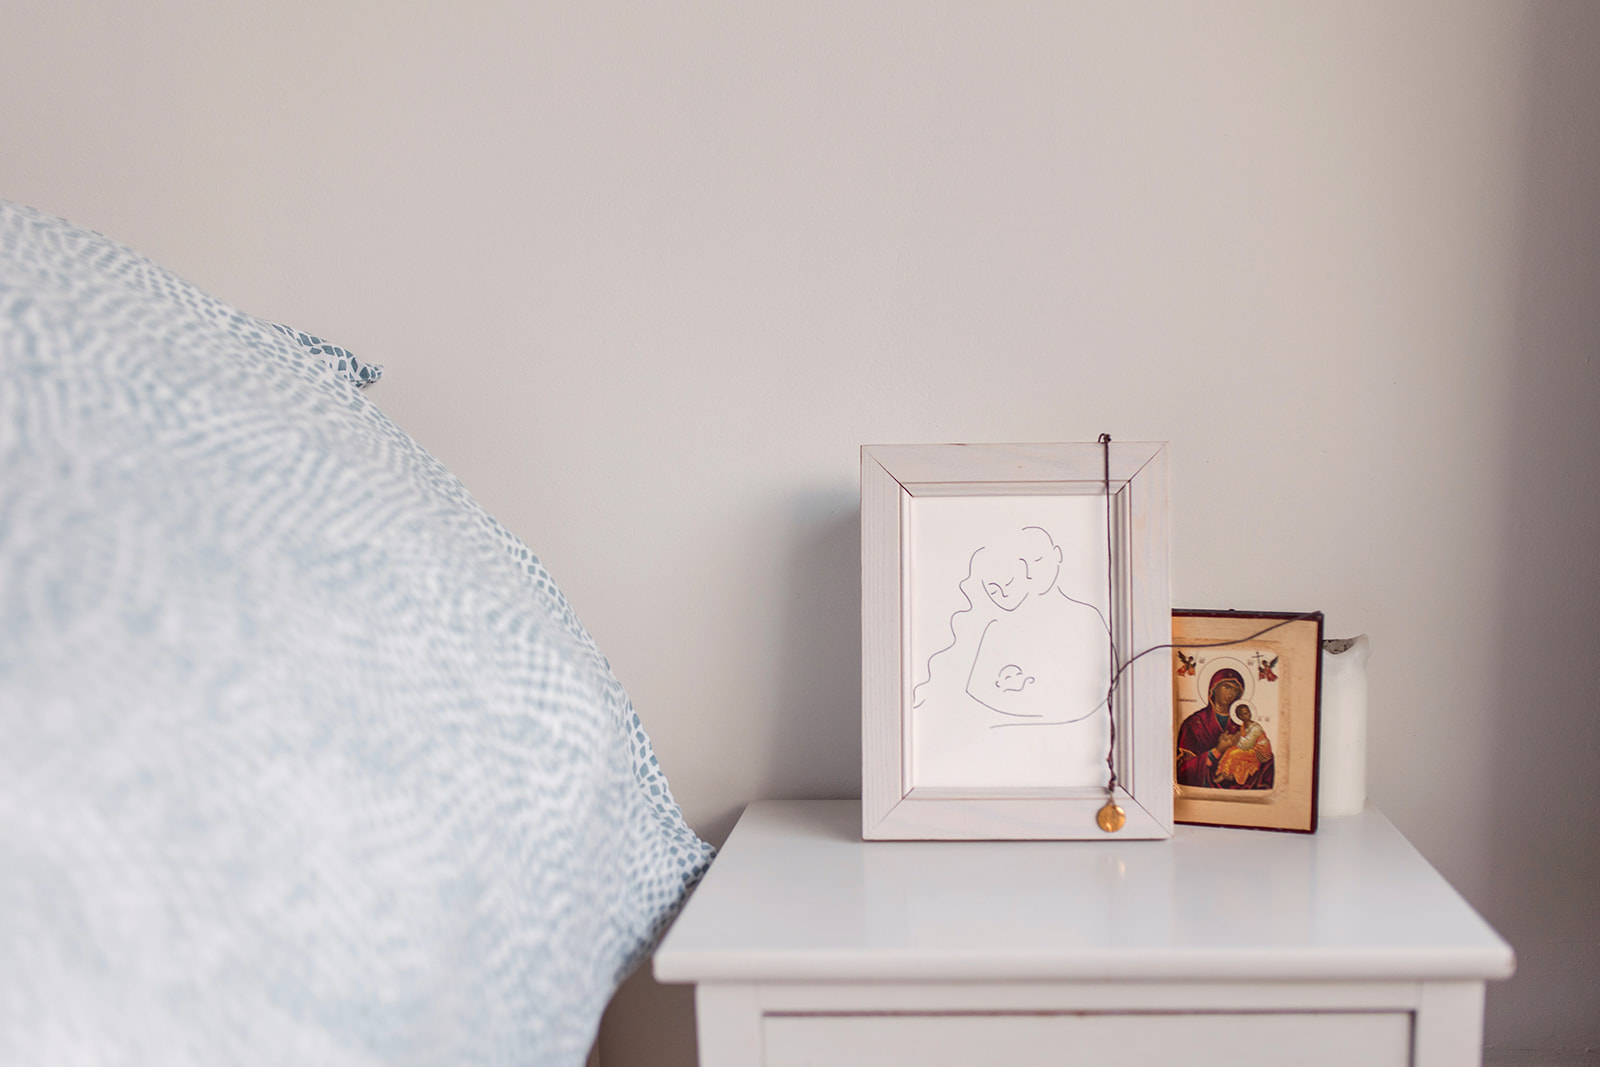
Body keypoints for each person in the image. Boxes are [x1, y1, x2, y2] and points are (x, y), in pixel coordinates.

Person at [1176, 669, 1246, 787]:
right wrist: (1218, 750)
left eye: (1236, 690)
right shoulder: (1193, 723)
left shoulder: (1240, 725)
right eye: (1227, 687)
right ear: (1214, 688)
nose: (1231, 693)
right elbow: (1182, 769)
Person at [1214, 704, 1273, 788]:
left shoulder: (1255, 728)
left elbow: (1247, 744)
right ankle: (1224, 772)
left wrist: (1234, 739)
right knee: (1229, 751)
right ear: (1240, 716)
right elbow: (1243, 741)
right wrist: (1230, 739)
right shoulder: (1243, 726)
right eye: (1245, 713)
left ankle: (1232, 776)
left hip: (1260, 750)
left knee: (1235, 754)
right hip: (1251, 748)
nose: (1248, 715)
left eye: (1248, 712)